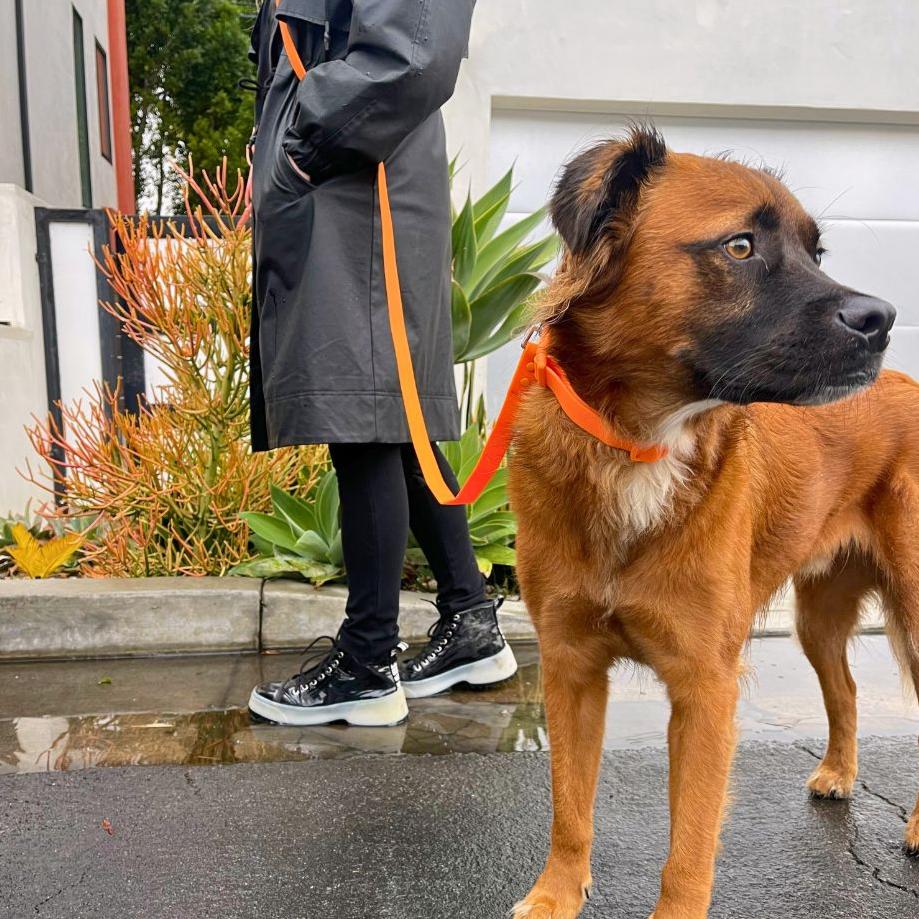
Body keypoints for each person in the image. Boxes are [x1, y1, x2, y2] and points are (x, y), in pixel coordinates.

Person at [245, 0, 517, 727]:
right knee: (390, 419)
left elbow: (411, 54)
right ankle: (470, 621)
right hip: (349, 181)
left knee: (363, 415)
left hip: (356, 184)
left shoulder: (329, 146)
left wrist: (304, 140)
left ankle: (367, 665)